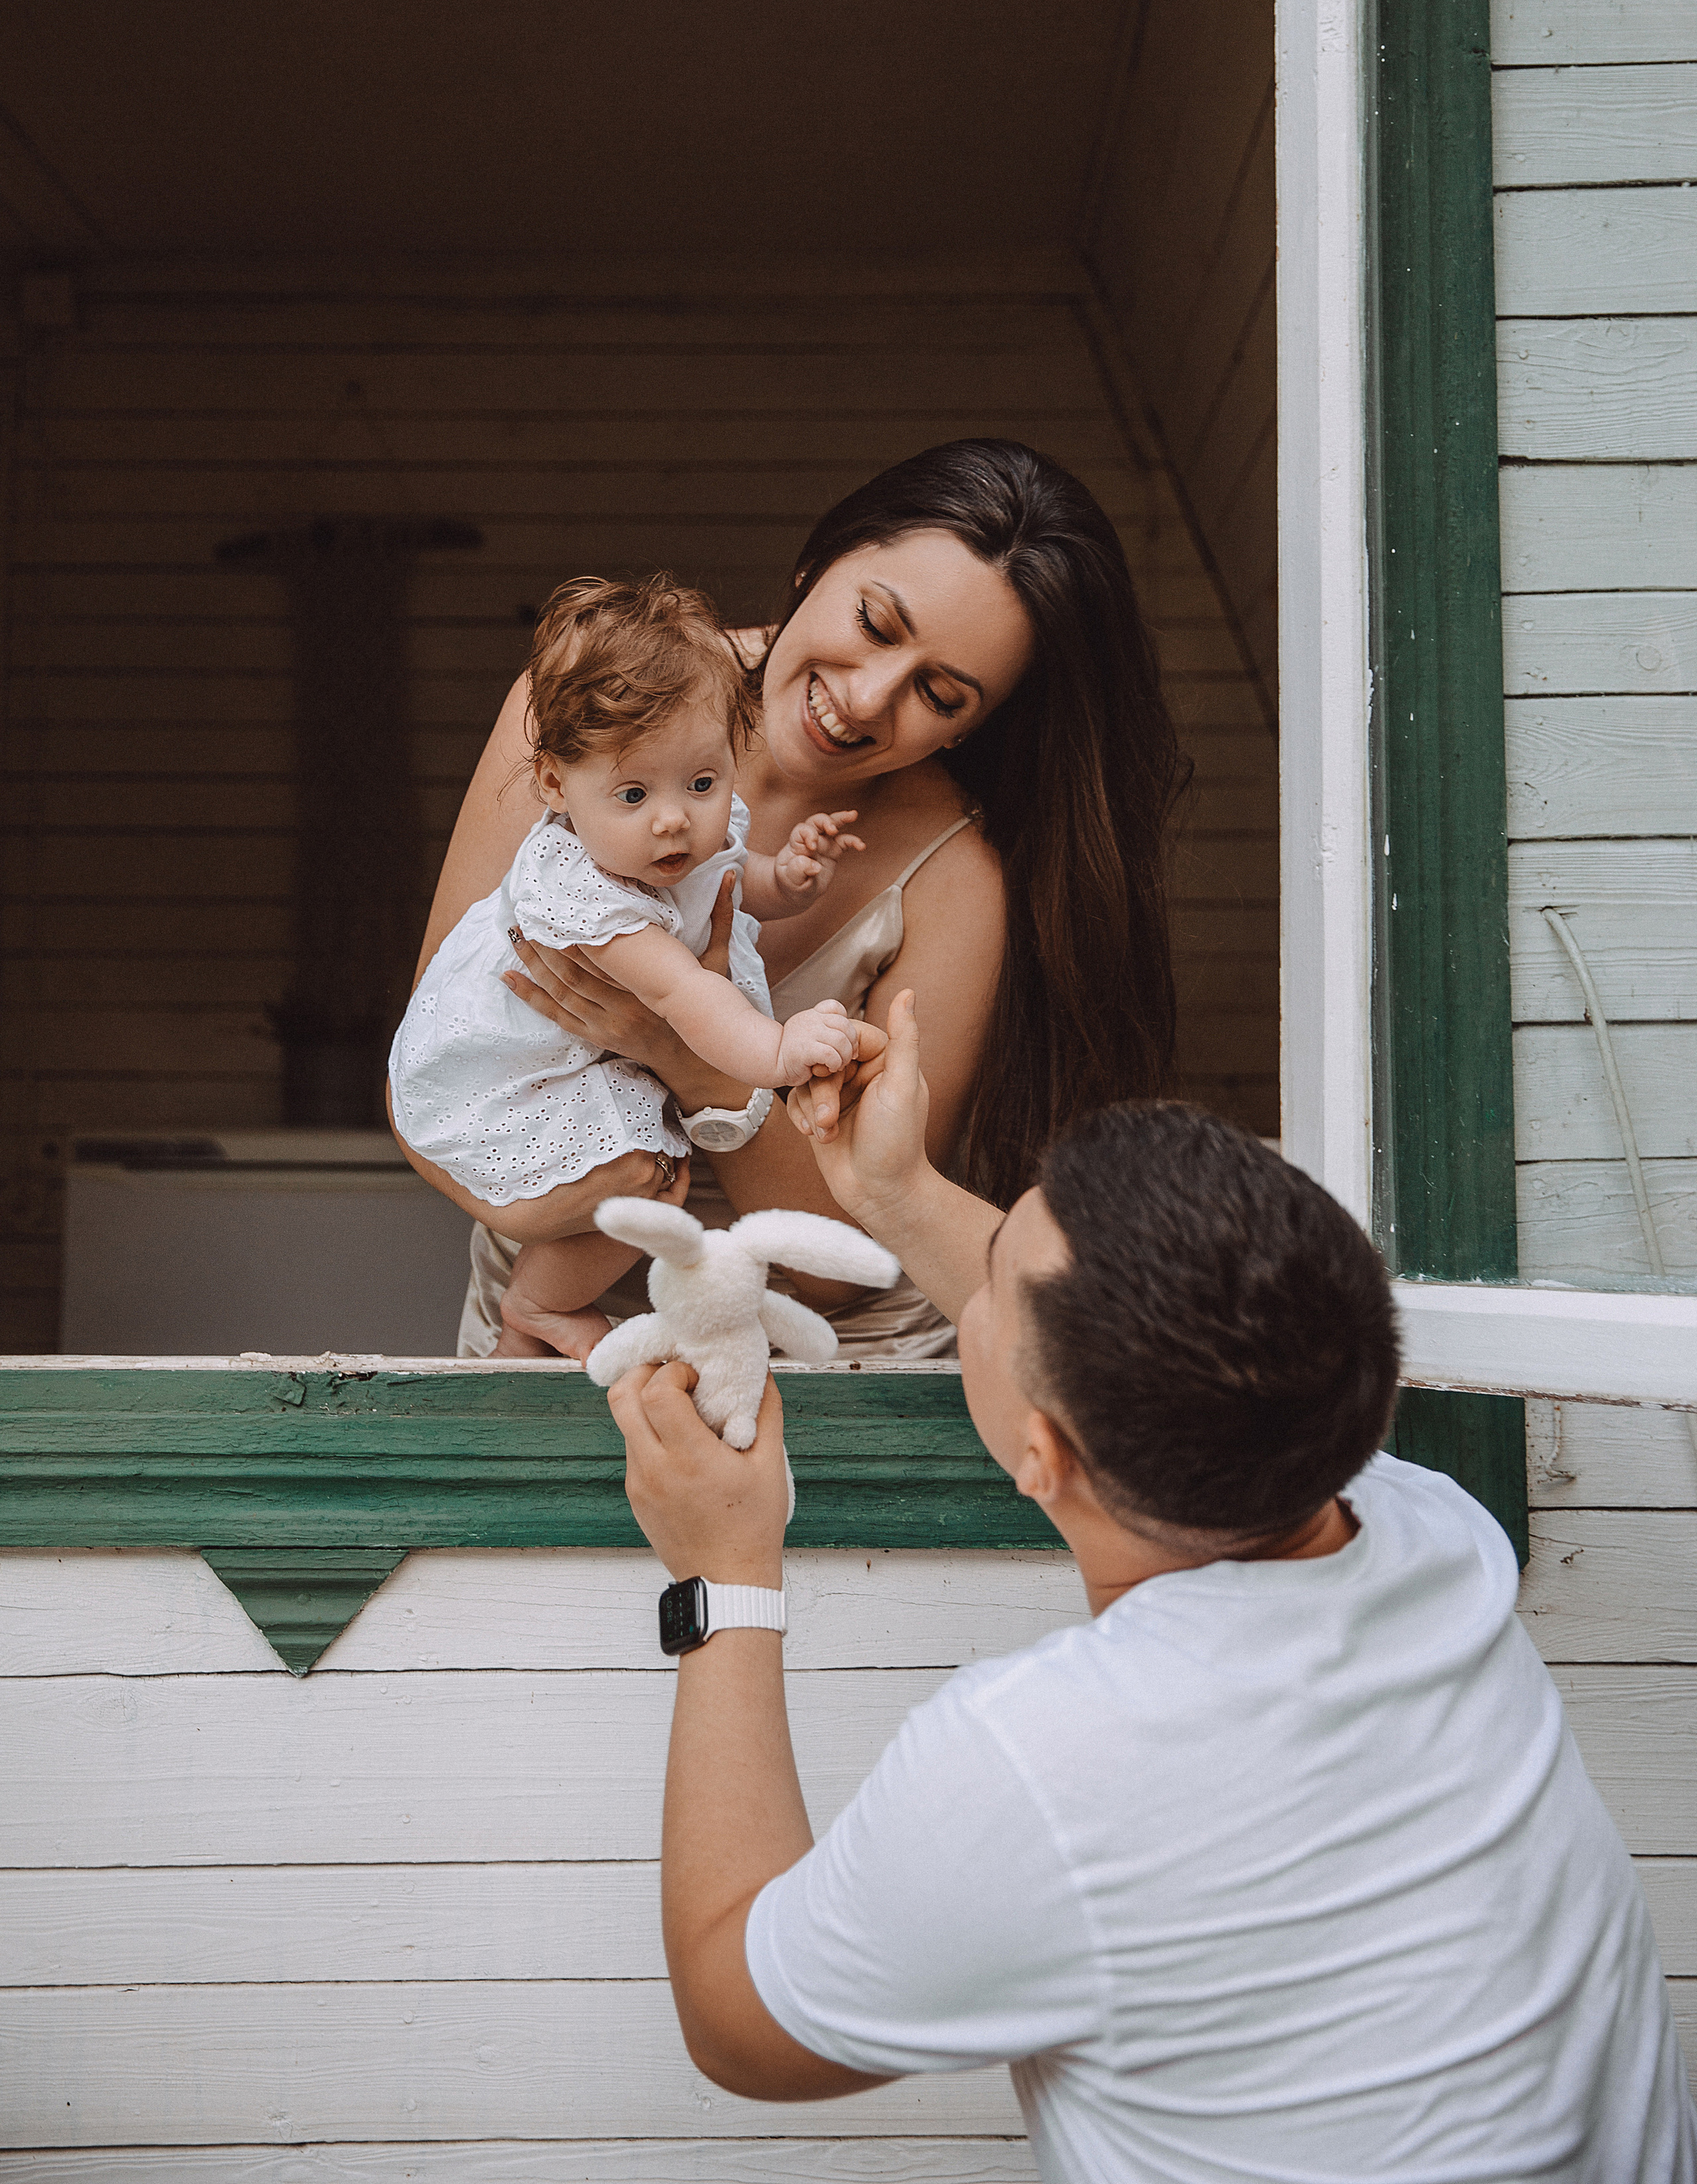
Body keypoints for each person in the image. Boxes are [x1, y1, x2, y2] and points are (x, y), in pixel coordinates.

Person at [607, 994, 1697, 2181]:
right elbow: (1119, 1341)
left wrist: (725, 1574)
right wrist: (896, 1185)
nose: (968, 1293)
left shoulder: (1048, 1760)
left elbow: (737, 2020)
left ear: (1046, 1456)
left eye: (982, 1298)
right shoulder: (1423, 1526)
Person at [401, 440, 1189, 1359]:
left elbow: (846, 1251)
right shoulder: (580, 706)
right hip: (536, 1333)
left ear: (978, 724)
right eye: (876, 622)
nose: (864, 699)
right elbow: (430, 1070)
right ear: (821, 560)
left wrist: (689, 1061)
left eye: (938, 694)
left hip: (815, 1355)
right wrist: (575, 1210)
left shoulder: (956, 876)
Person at [388, 573, 880, 1359]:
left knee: (654, 1185)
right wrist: (781, 1052)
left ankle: (538, 1307)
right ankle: (538, 1308)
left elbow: (727, 876)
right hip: (508, 1079)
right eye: (631, 794)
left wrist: (786, 878)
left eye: (702, 782)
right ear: (554, 783)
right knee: (647, 1181)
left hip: (588, 1058)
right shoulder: (587, 896)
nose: (674, 818)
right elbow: (688, 997)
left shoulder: (677, 829)